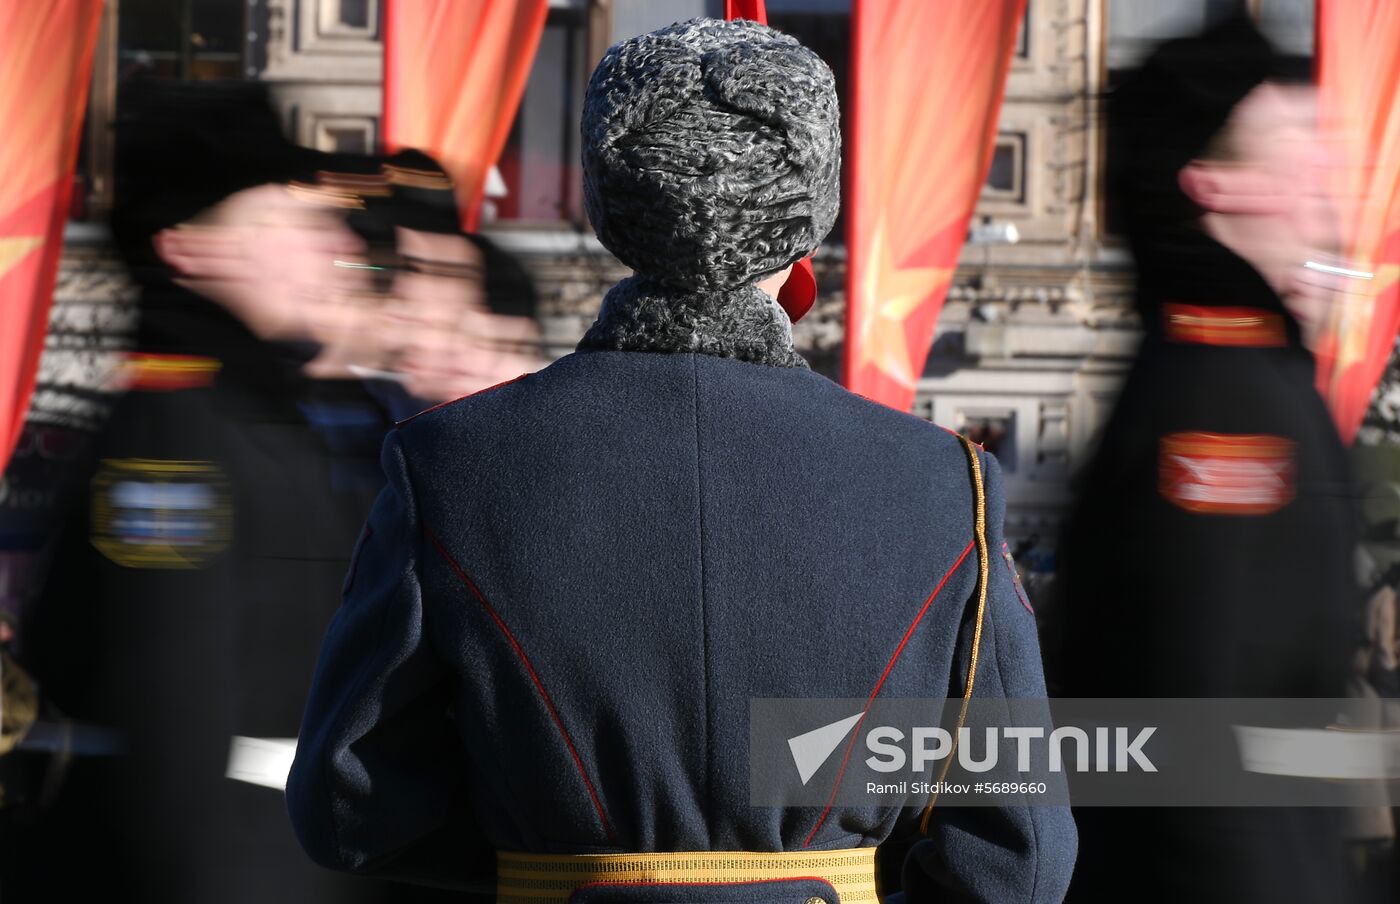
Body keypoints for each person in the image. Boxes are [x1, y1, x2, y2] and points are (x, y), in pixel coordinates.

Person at [288, 18, 1074, 903]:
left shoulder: (443, 461)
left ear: (609, 201)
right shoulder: (943, 482)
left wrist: (547, 844)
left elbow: (350, 804)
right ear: (809, 209)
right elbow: (1019, 852)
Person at [1056, 16, 1361, 903]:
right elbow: (1197, 750)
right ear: (1214, 183)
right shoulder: (1224, 405)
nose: (1331, 180)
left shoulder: (1244, 370)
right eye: (1301, 149)